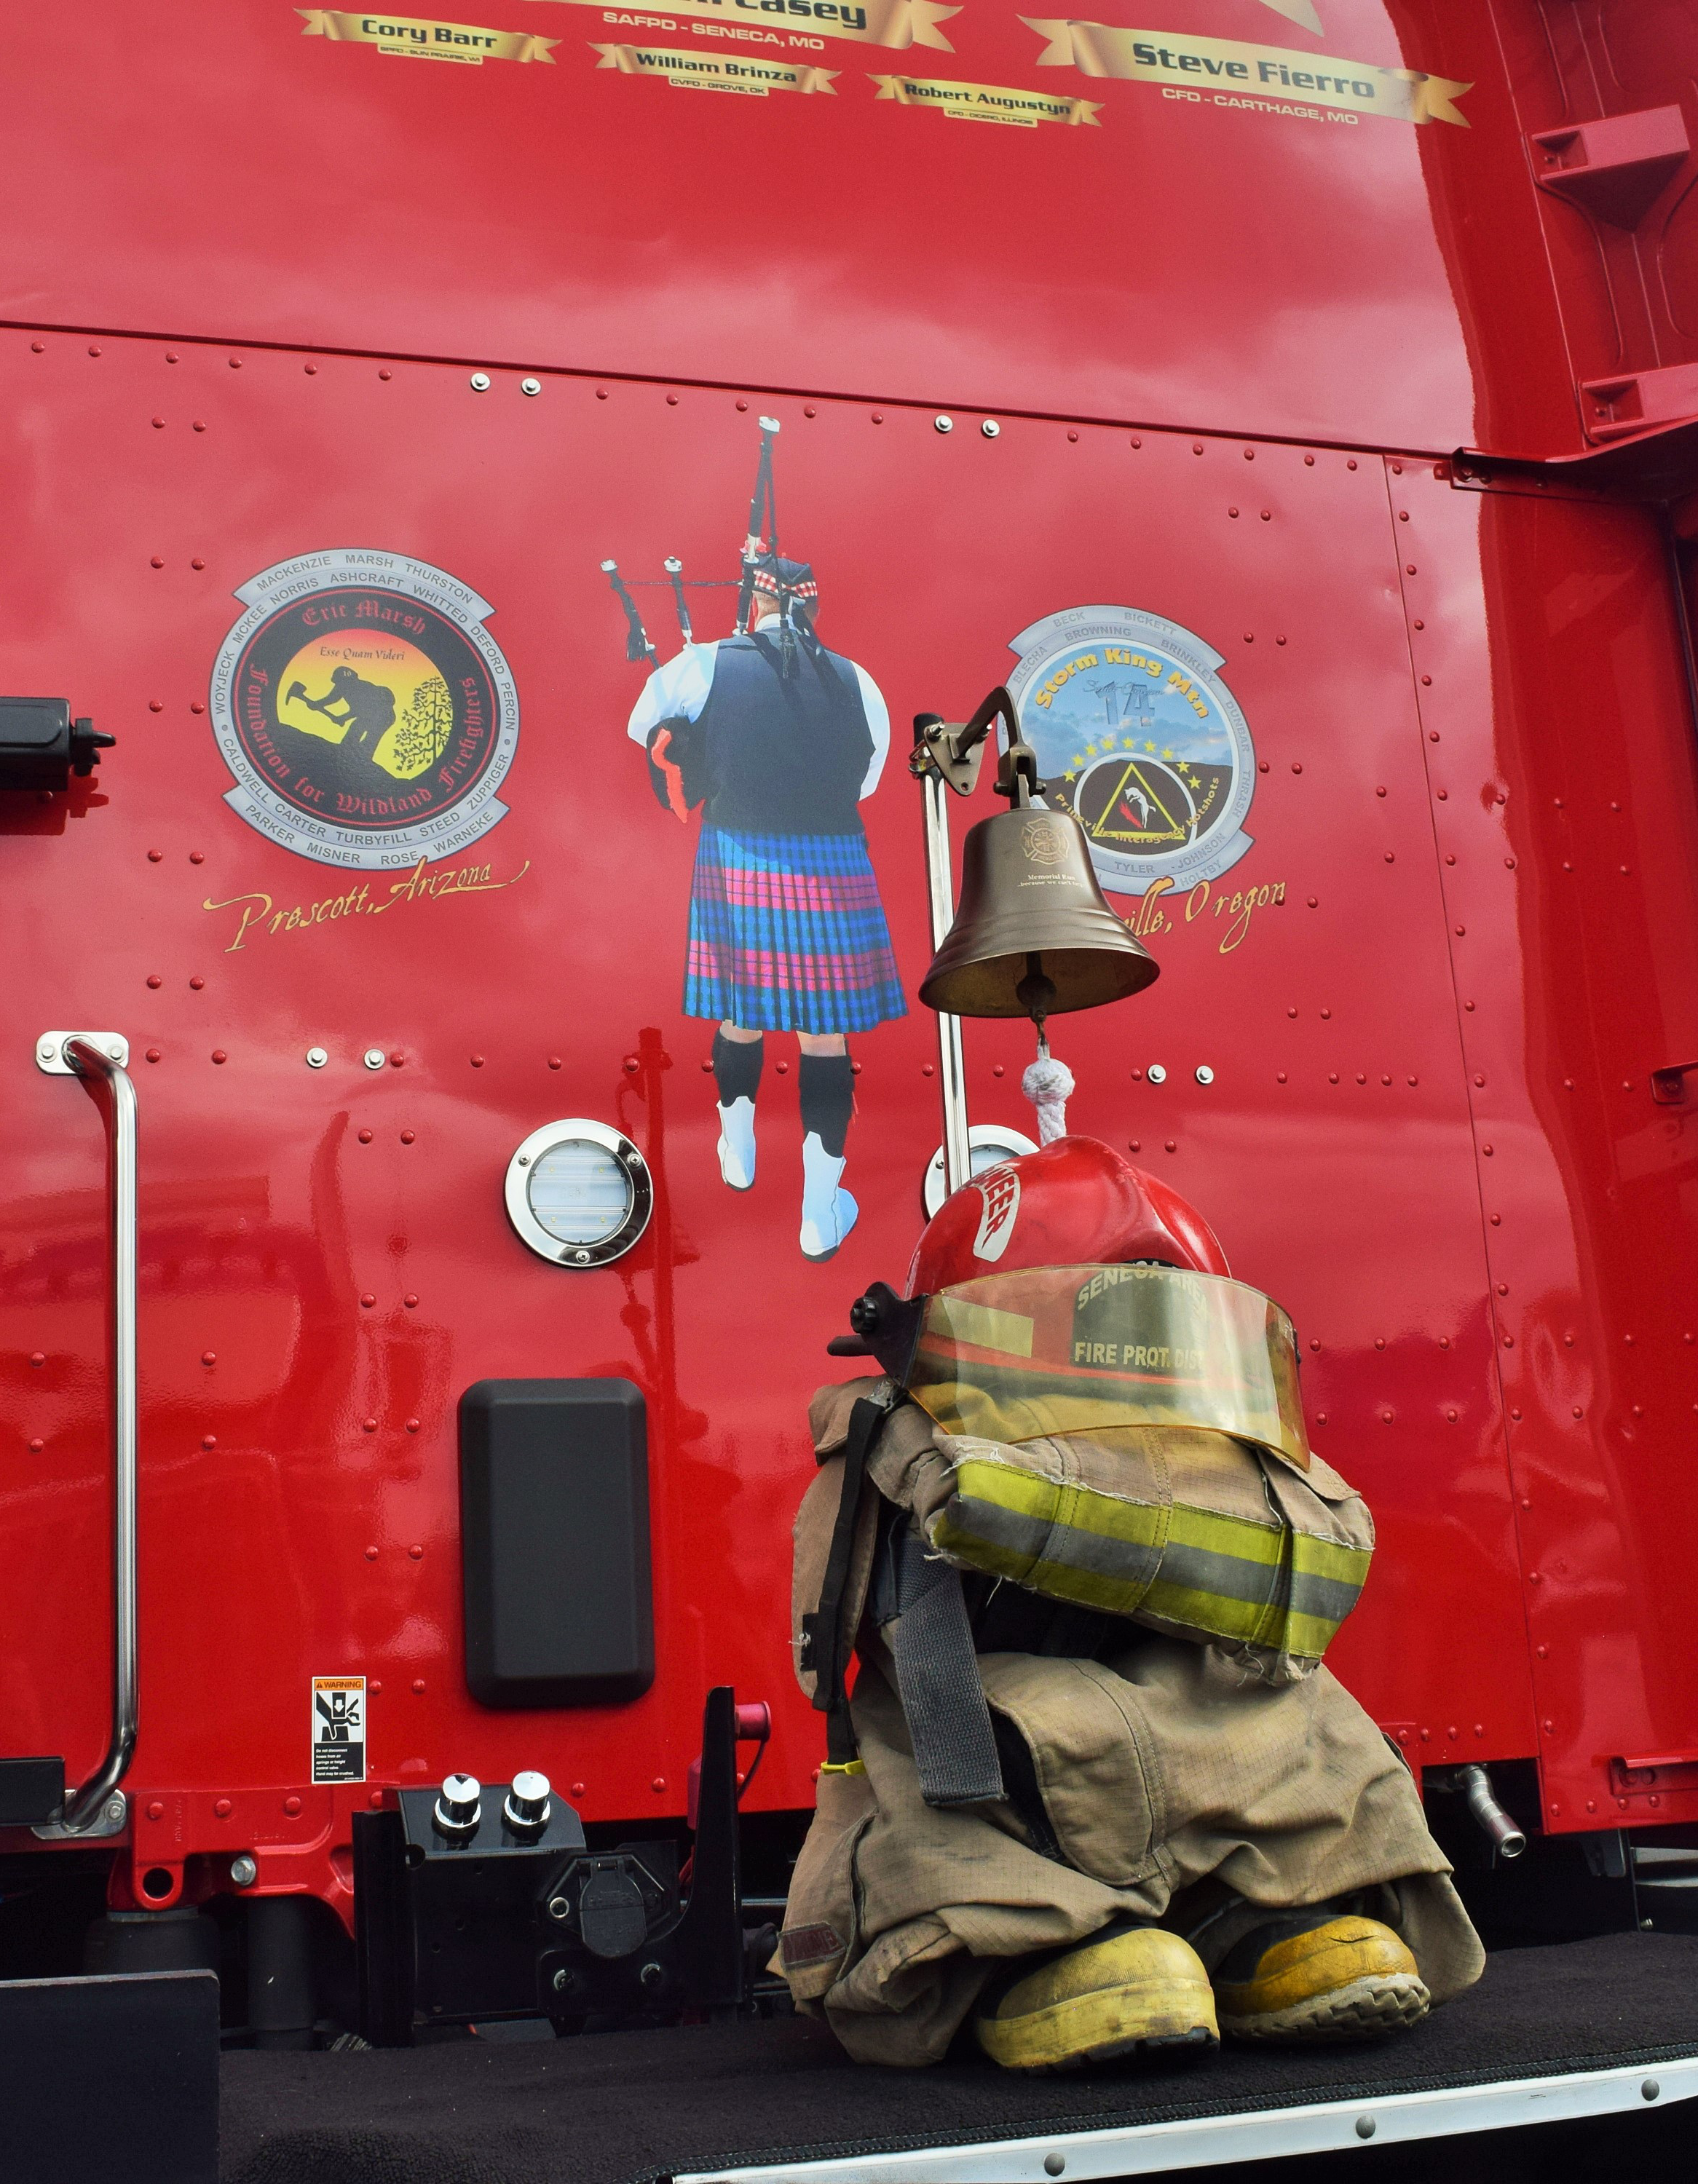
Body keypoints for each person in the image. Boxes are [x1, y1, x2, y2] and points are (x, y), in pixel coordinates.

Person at [773, 1137, 1480, 2070]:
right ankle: (1032, 1943)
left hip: (1207, 1804)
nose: (1130, 1354)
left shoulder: (1232, 1454)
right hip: (998, 1792)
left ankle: (1257, 1918)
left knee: (1282, 1720)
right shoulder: (910, 1442)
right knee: (982, 1756)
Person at [625, 545, 902, 1262]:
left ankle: (736, 1142)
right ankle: (819, 1210)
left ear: (757, 602)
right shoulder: (856, 679)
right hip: (832, 858)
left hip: (740, 853)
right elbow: (866, 778)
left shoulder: (704, 664)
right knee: (825, 1037)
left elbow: (645, 728)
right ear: (811, 605)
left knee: (741, 1012)